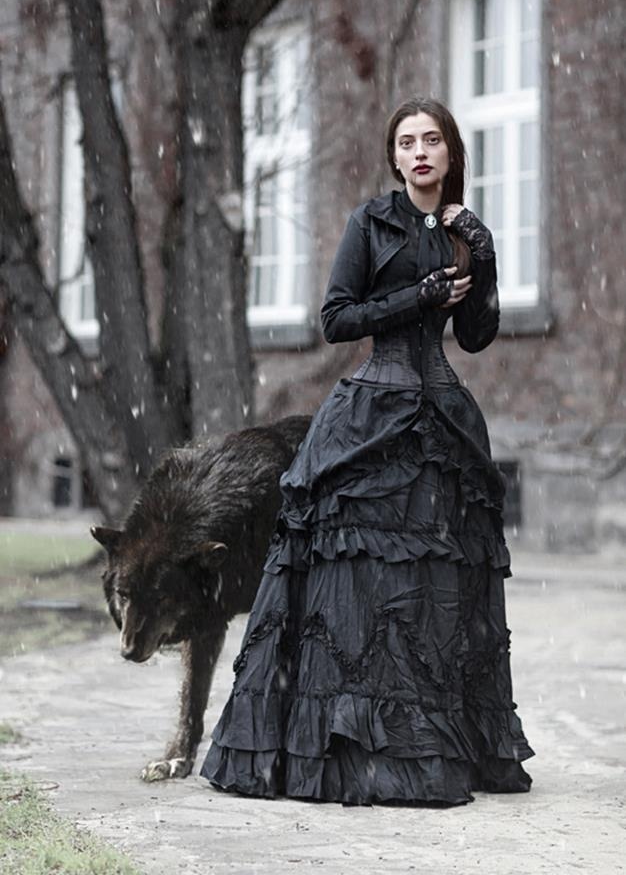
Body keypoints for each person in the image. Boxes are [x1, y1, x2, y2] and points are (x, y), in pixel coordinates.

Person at [200, 96, 534, 806]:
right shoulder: (370, 222)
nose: (419, 152)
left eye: (432, 140)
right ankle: (348, 748)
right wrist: (419, 294)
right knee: (359, 589)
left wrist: (486, 258)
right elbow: (335, 318)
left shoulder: (465, 233)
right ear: (395, 157)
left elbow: (474, 337)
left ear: (450, 155)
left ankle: (429, 743)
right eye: (407, 141)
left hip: (441, 424)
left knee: (431, 594)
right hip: (369, 420)